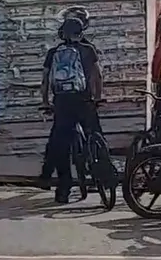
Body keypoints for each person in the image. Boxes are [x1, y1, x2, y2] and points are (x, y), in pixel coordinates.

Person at [38, 17, 103, 203]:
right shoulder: (89, 50)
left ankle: (63, 189)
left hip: (63, 103)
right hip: (84, 102)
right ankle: (105, 175)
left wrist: (46, 102)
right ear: (81, 32)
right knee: (96, 134)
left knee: (61, 146)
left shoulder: (53, 53)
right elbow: (97, 75)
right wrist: (98, 97)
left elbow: (45, 81)